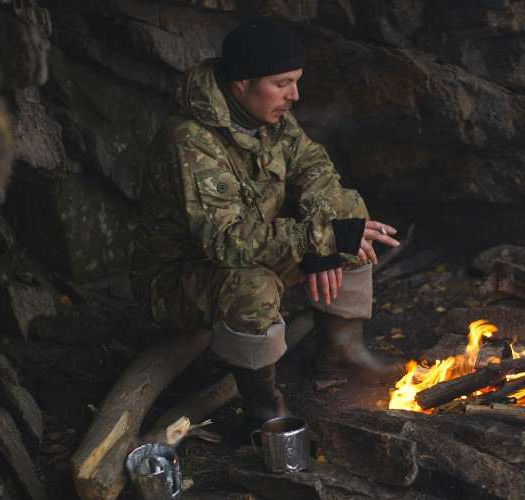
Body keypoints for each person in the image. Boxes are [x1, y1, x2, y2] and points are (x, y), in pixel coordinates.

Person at [131, 16, 402, 426]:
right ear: (242, 83)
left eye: (296, 81)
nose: (295, 95)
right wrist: (319, 239)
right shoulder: (190, 141)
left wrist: (326, 243)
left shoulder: (268, 117)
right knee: (254, 285)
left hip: (254, 248)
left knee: (347, 211)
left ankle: (342, 354)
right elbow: (225, 242)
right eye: (282, 83)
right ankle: (263, 407)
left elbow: (315, 169)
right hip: (180, 279)